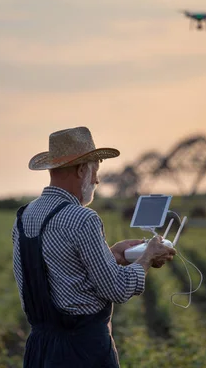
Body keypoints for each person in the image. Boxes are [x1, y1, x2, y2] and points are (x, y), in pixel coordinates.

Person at [11, 126, 177, 368]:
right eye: (95, 170)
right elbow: (117, 289)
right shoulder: (83, 218)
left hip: (39, 348)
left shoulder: (23, 216)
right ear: (81, 170)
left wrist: (113, 255)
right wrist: (147, 257)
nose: (97, 180)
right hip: (82, 351)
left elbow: (58, 270)